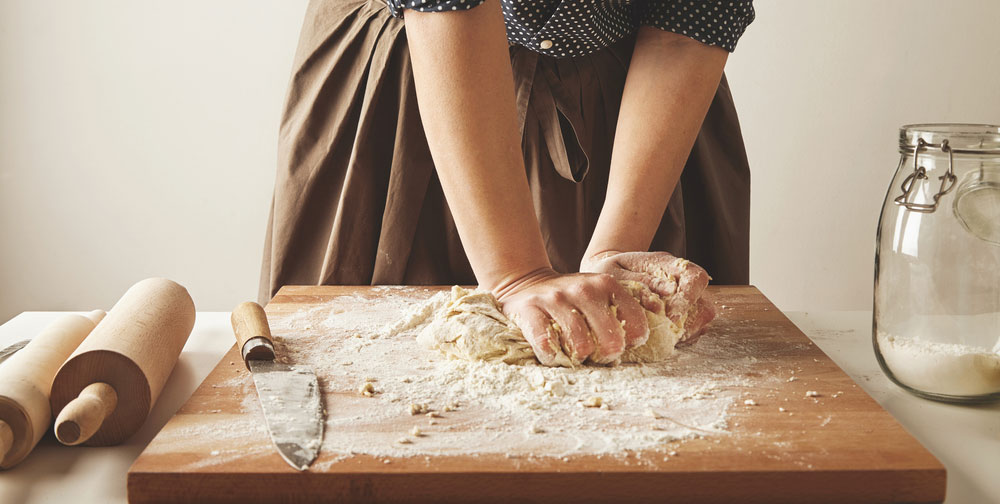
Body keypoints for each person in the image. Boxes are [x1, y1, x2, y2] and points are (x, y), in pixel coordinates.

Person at [259, 0, 754, 366]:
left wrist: (617, 248)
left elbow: (686, 21)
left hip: (637, 100)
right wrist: (519, 275)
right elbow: (445, 6)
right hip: (418, 66)